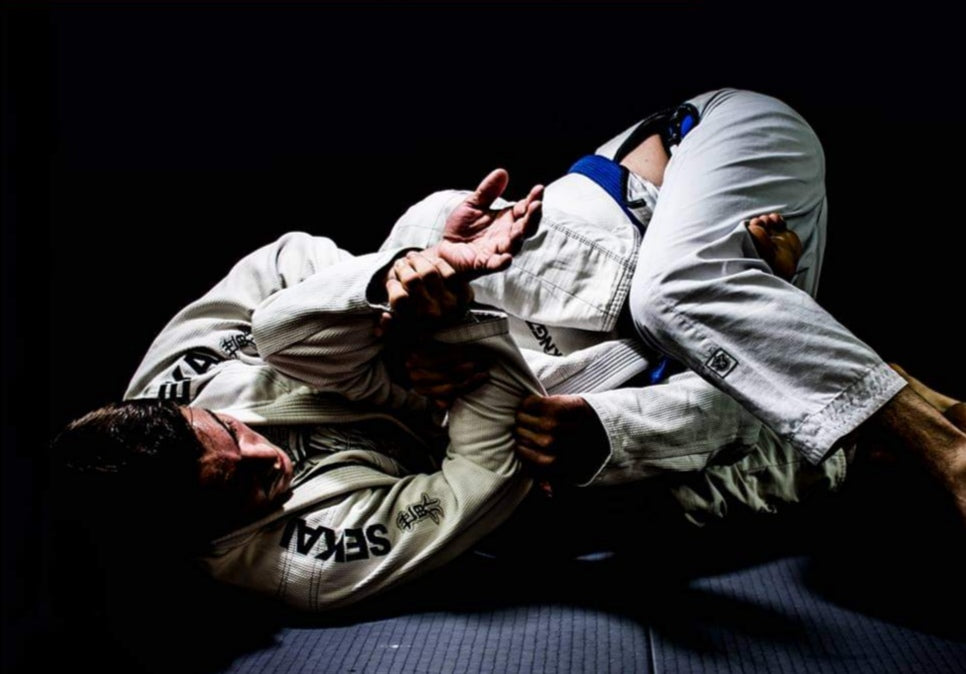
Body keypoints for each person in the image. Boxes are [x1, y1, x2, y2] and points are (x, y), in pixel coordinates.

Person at [52, 169, 846, 612]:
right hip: (490, 433)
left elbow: (293, 260)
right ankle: (810, 396)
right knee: (567, 482)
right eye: (238, 488)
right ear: (192, 533)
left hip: (416, 355)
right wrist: (450, 342)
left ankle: (725, 302)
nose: (264, 455)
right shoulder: (300, 565)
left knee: (419, 231)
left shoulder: (174, 376)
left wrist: (397, 308)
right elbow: (477, 478)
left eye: (230, 433)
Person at [381, 89, 966, 522]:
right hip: (730, 292)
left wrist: (405, 308)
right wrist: (612, 433)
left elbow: (416, 234)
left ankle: (948, 453)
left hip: (713, 139)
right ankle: (912, 413)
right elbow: (740, 397)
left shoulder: (415, 280)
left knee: (668, 297)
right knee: (694, 451)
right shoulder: (498, 448)